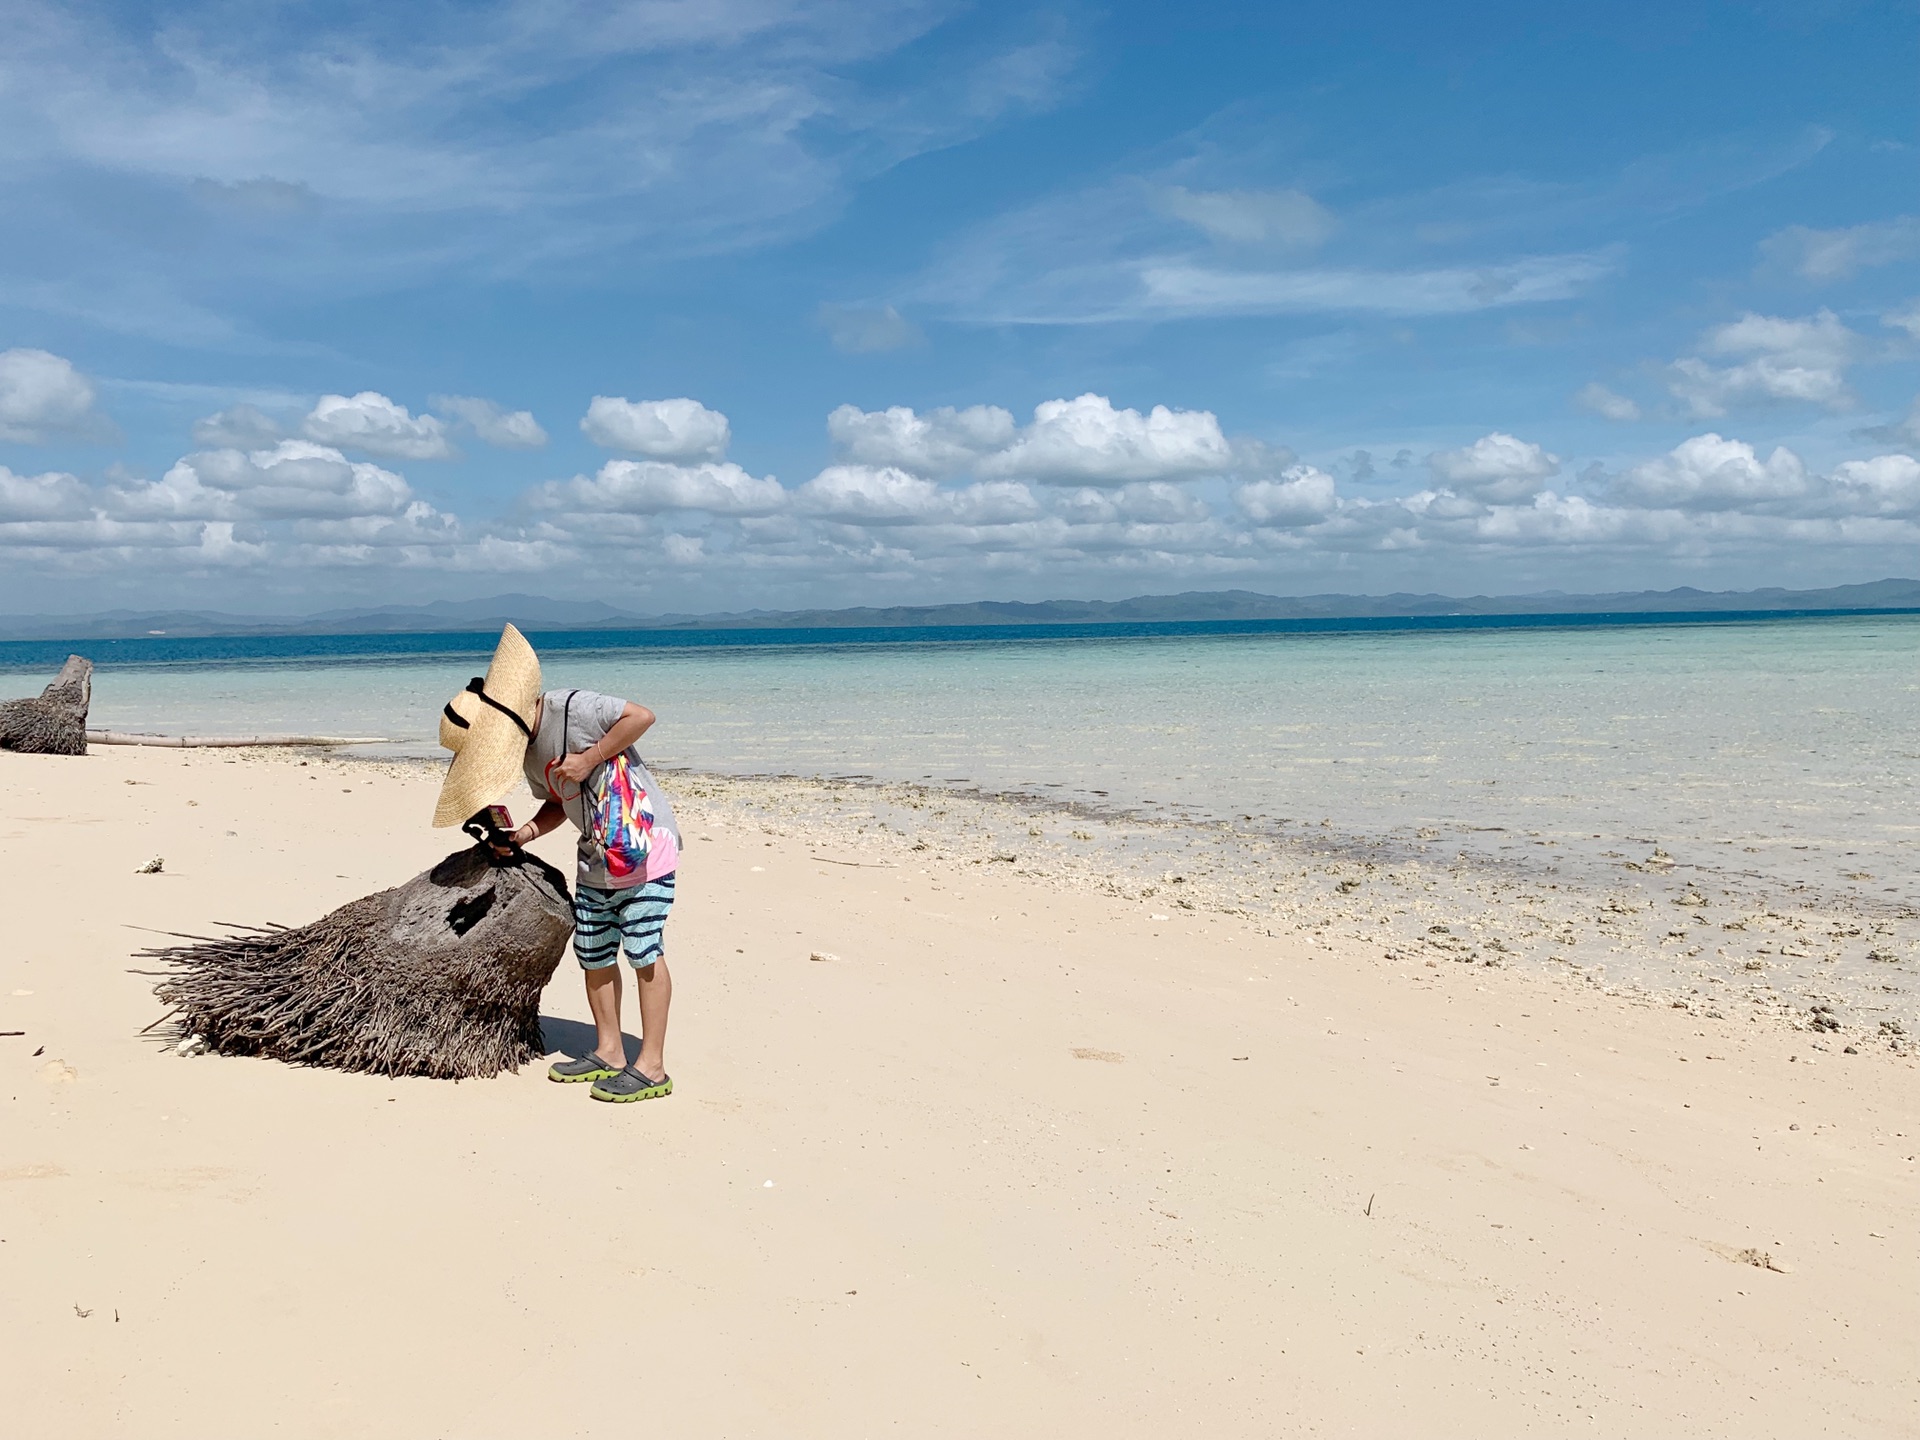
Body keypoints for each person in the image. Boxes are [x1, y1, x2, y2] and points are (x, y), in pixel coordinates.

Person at [433, 624, 682, 1104]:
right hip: (595, 856)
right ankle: (609, 1051)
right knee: (593, 950)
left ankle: (652, 1066)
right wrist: (523, 834)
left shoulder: (574, 707)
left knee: (644, 950)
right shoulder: (526, 753)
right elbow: (557, 800)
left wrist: (591, 757)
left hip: (644, 844)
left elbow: (642, 716)